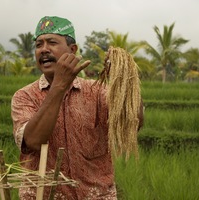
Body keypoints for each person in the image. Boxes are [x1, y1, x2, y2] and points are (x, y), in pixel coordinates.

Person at [11, 16, 144, 199]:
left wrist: (124, 79)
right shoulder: (24, 97)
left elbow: (132, 122)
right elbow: (33, 141)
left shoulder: (98, 93)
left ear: (72, 50)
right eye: (38, 44)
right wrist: (59, 85)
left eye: (52, 43)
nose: (44, 50)